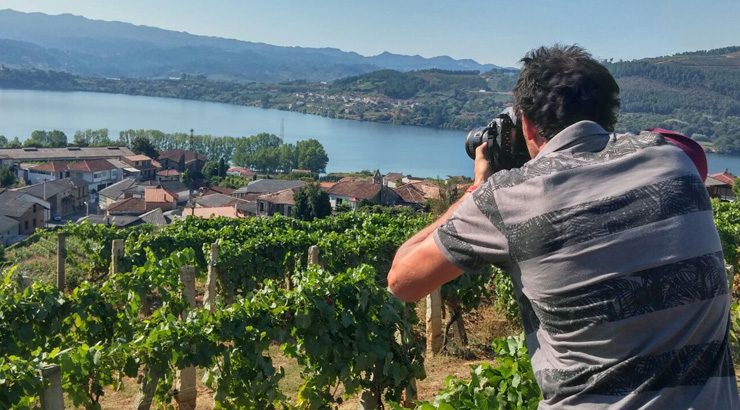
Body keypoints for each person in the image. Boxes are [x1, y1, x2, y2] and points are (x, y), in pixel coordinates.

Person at [387, 45, 739, 408]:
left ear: (526, 122)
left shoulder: (509, 198)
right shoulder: (674, 161)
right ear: (609, 112)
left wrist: (478, 189)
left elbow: (403, 280)